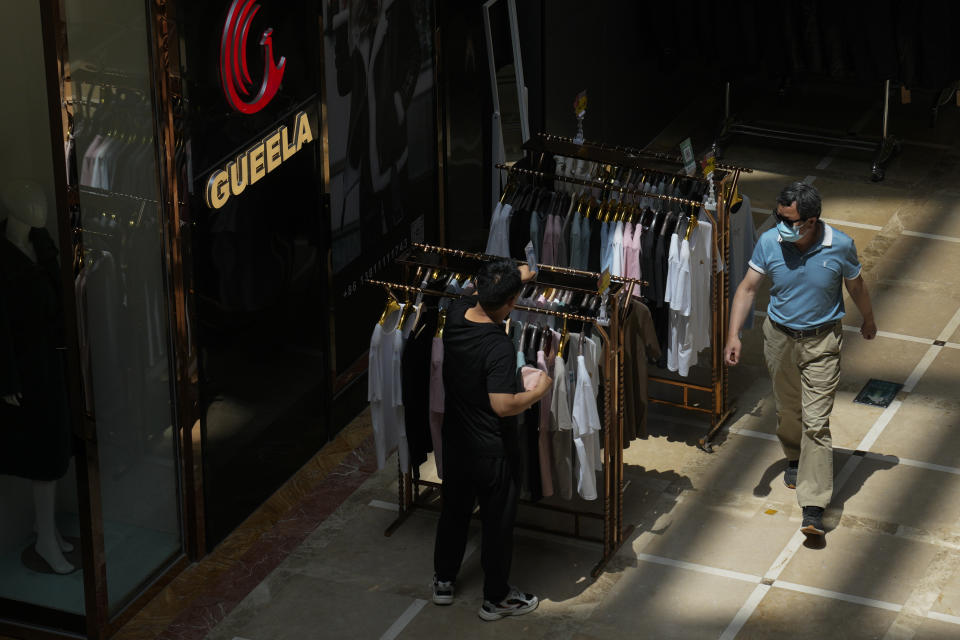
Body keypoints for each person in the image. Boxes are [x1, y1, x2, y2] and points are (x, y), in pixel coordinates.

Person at [723, 182, 876, 537]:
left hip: (822, 343)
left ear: (811, 221)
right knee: (789, 408)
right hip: (779, 339)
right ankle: (794, 456)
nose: (782, 225)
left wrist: (868, 319)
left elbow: (856, 286)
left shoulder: (839, 245)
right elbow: (747, 288)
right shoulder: (769, 242)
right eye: (780, 217)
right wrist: (734, 335)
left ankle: (813, 506)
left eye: (789, 220)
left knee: (817, 424)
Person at [432, 258, 551, 621]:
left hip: (457, 440)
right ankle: (496, 598)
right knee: (497, 524)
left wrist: (519, 277)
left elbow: (483, 293)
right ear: (512, 304)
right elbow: (502, 405)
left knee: (454, 508)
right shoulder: (498, 347)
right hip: (492, 452)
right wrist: (540, 389)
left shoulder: (454, 313)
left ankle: (444, 579)